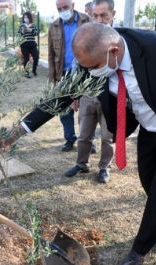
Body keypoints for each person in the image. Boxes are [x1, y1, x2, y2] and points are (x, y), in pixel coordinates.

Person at [0, 23, 156, 265]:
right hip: (148, 127)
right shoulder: (94, 61)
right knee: (149, 180)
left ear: (114, 51)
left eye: (93, 67)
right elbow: (59, 98)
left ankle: (140, 249)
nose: (89, 72)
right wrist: (17, 132)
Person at [65, 0, 116, 184]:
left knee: (107, 136)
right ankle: (81, 164)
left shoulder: (121, 38)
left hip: (111, 98)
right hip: (87, 94)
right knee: (84, 134)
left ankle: (104, 168)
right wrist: (74, 94)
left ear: (113, 14)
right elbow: (75, 66)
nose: (99, 19)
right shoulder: (87, 35)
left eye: (104, 15)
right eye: (95, 15)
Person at [48, 0, 90, 152]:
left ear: (73, 5)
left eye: (65, 7)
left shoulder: (87, 20)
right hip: (63, 74)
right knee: (65, 109)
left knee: (86, 110)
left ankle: (86, 141)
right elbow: (51, 55)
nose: (63, 10)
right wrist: (52, 79)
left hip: (84, 74)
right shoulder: (53, 27)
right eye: (59, 9)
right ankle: (69, 138)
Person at [17, 12, 39, 78]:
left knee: (36, 57)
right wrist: (22, 32)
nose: (25, 19)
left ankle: (34, 70)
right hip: (24, 44)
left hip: (32, 44)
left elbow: (36, 33)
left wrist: (30, 30)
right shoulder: (22, 25)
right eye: (24, 17)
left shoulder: (33, 25)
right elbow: (19, 34)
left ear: (30, 18)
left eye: (27, 17)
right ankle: (26, 73)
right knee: (26, 58)